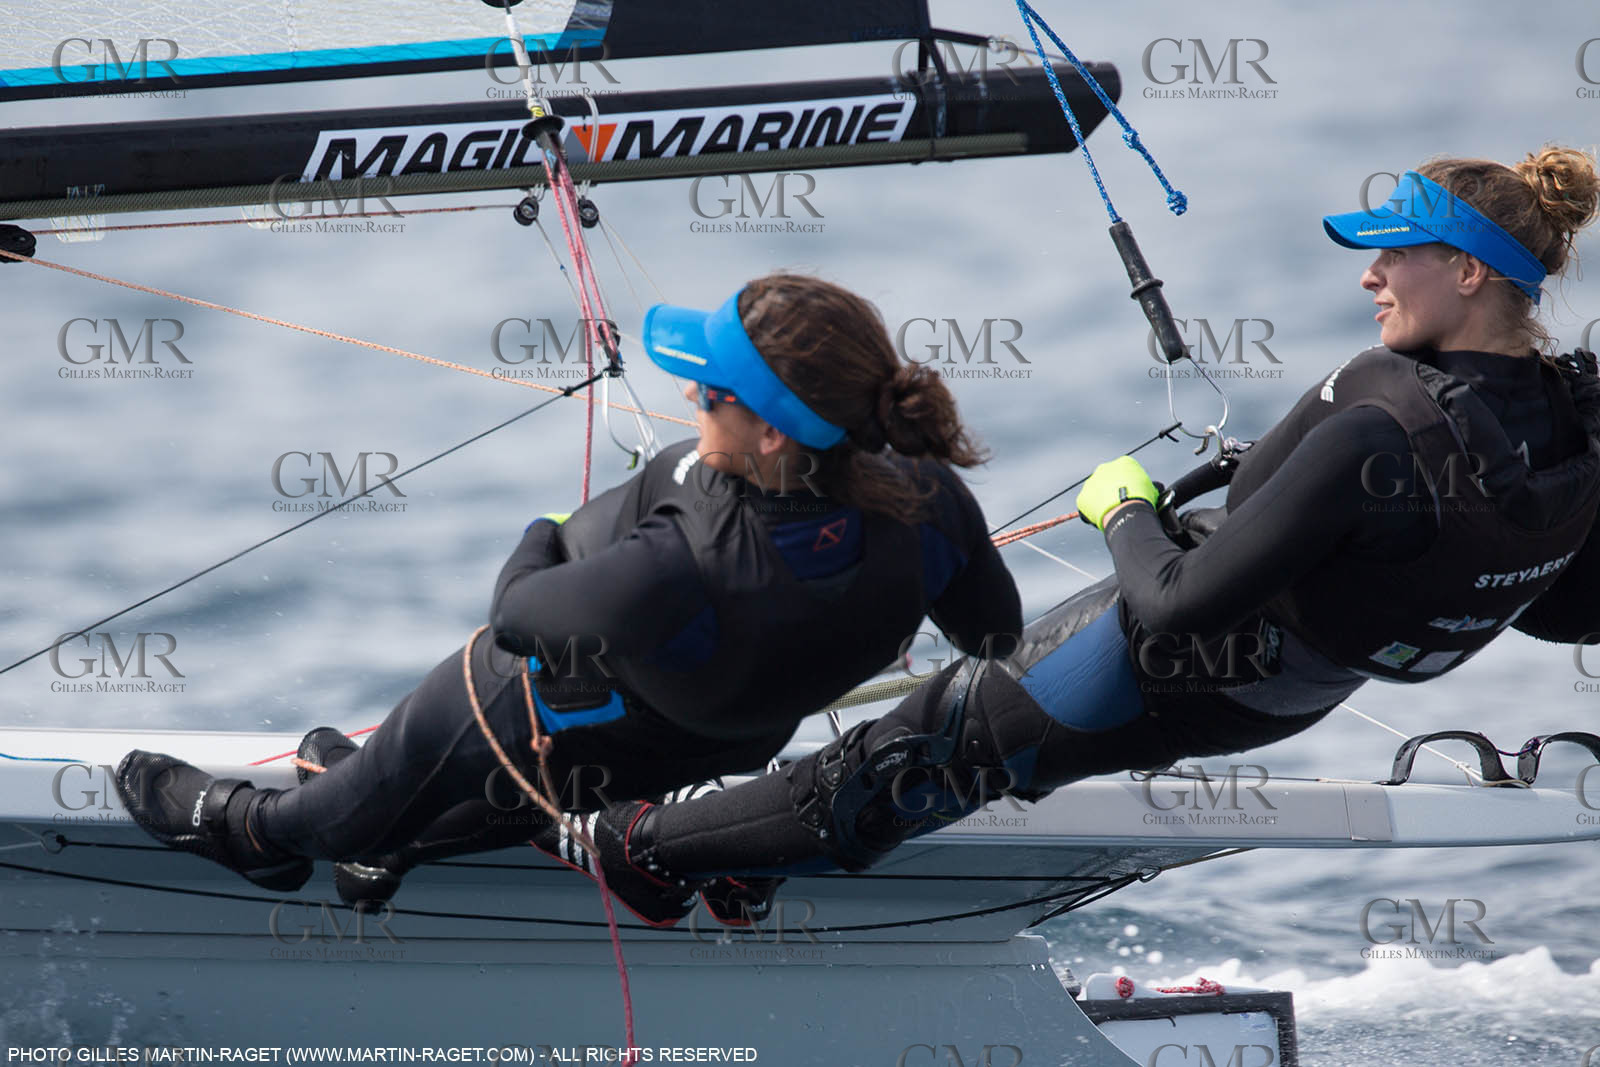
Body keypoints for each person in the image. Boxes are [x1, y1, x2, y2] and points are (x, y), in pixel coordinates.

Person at [541, 147, 1600, 925]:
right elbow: (1560, 608)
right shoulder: (1565, 423)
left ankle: (636, 848)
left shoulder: (1380, 422)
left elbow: (1177, 600)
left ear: (1468, 271)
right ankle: (748, 867)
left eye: (1393, 254)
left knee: (900, 760)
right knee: (955, 767)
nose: (1368, 276)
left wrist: (1120, 509)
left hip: (1150, 659)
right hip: (1275, 701)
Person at [113, 273, 1022, 907]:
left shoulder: (685, 562)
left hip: (536, 711)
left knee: (351, 804)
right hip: (710, 738)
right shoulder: (929, 496)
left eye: (706, 392)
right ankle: (395, 839)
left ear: (775, 435)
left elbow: (515, 619)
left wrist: (541, 535)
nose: (691, 398)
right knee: (514, 790)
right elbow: (993, 635)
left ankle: (250, 835)